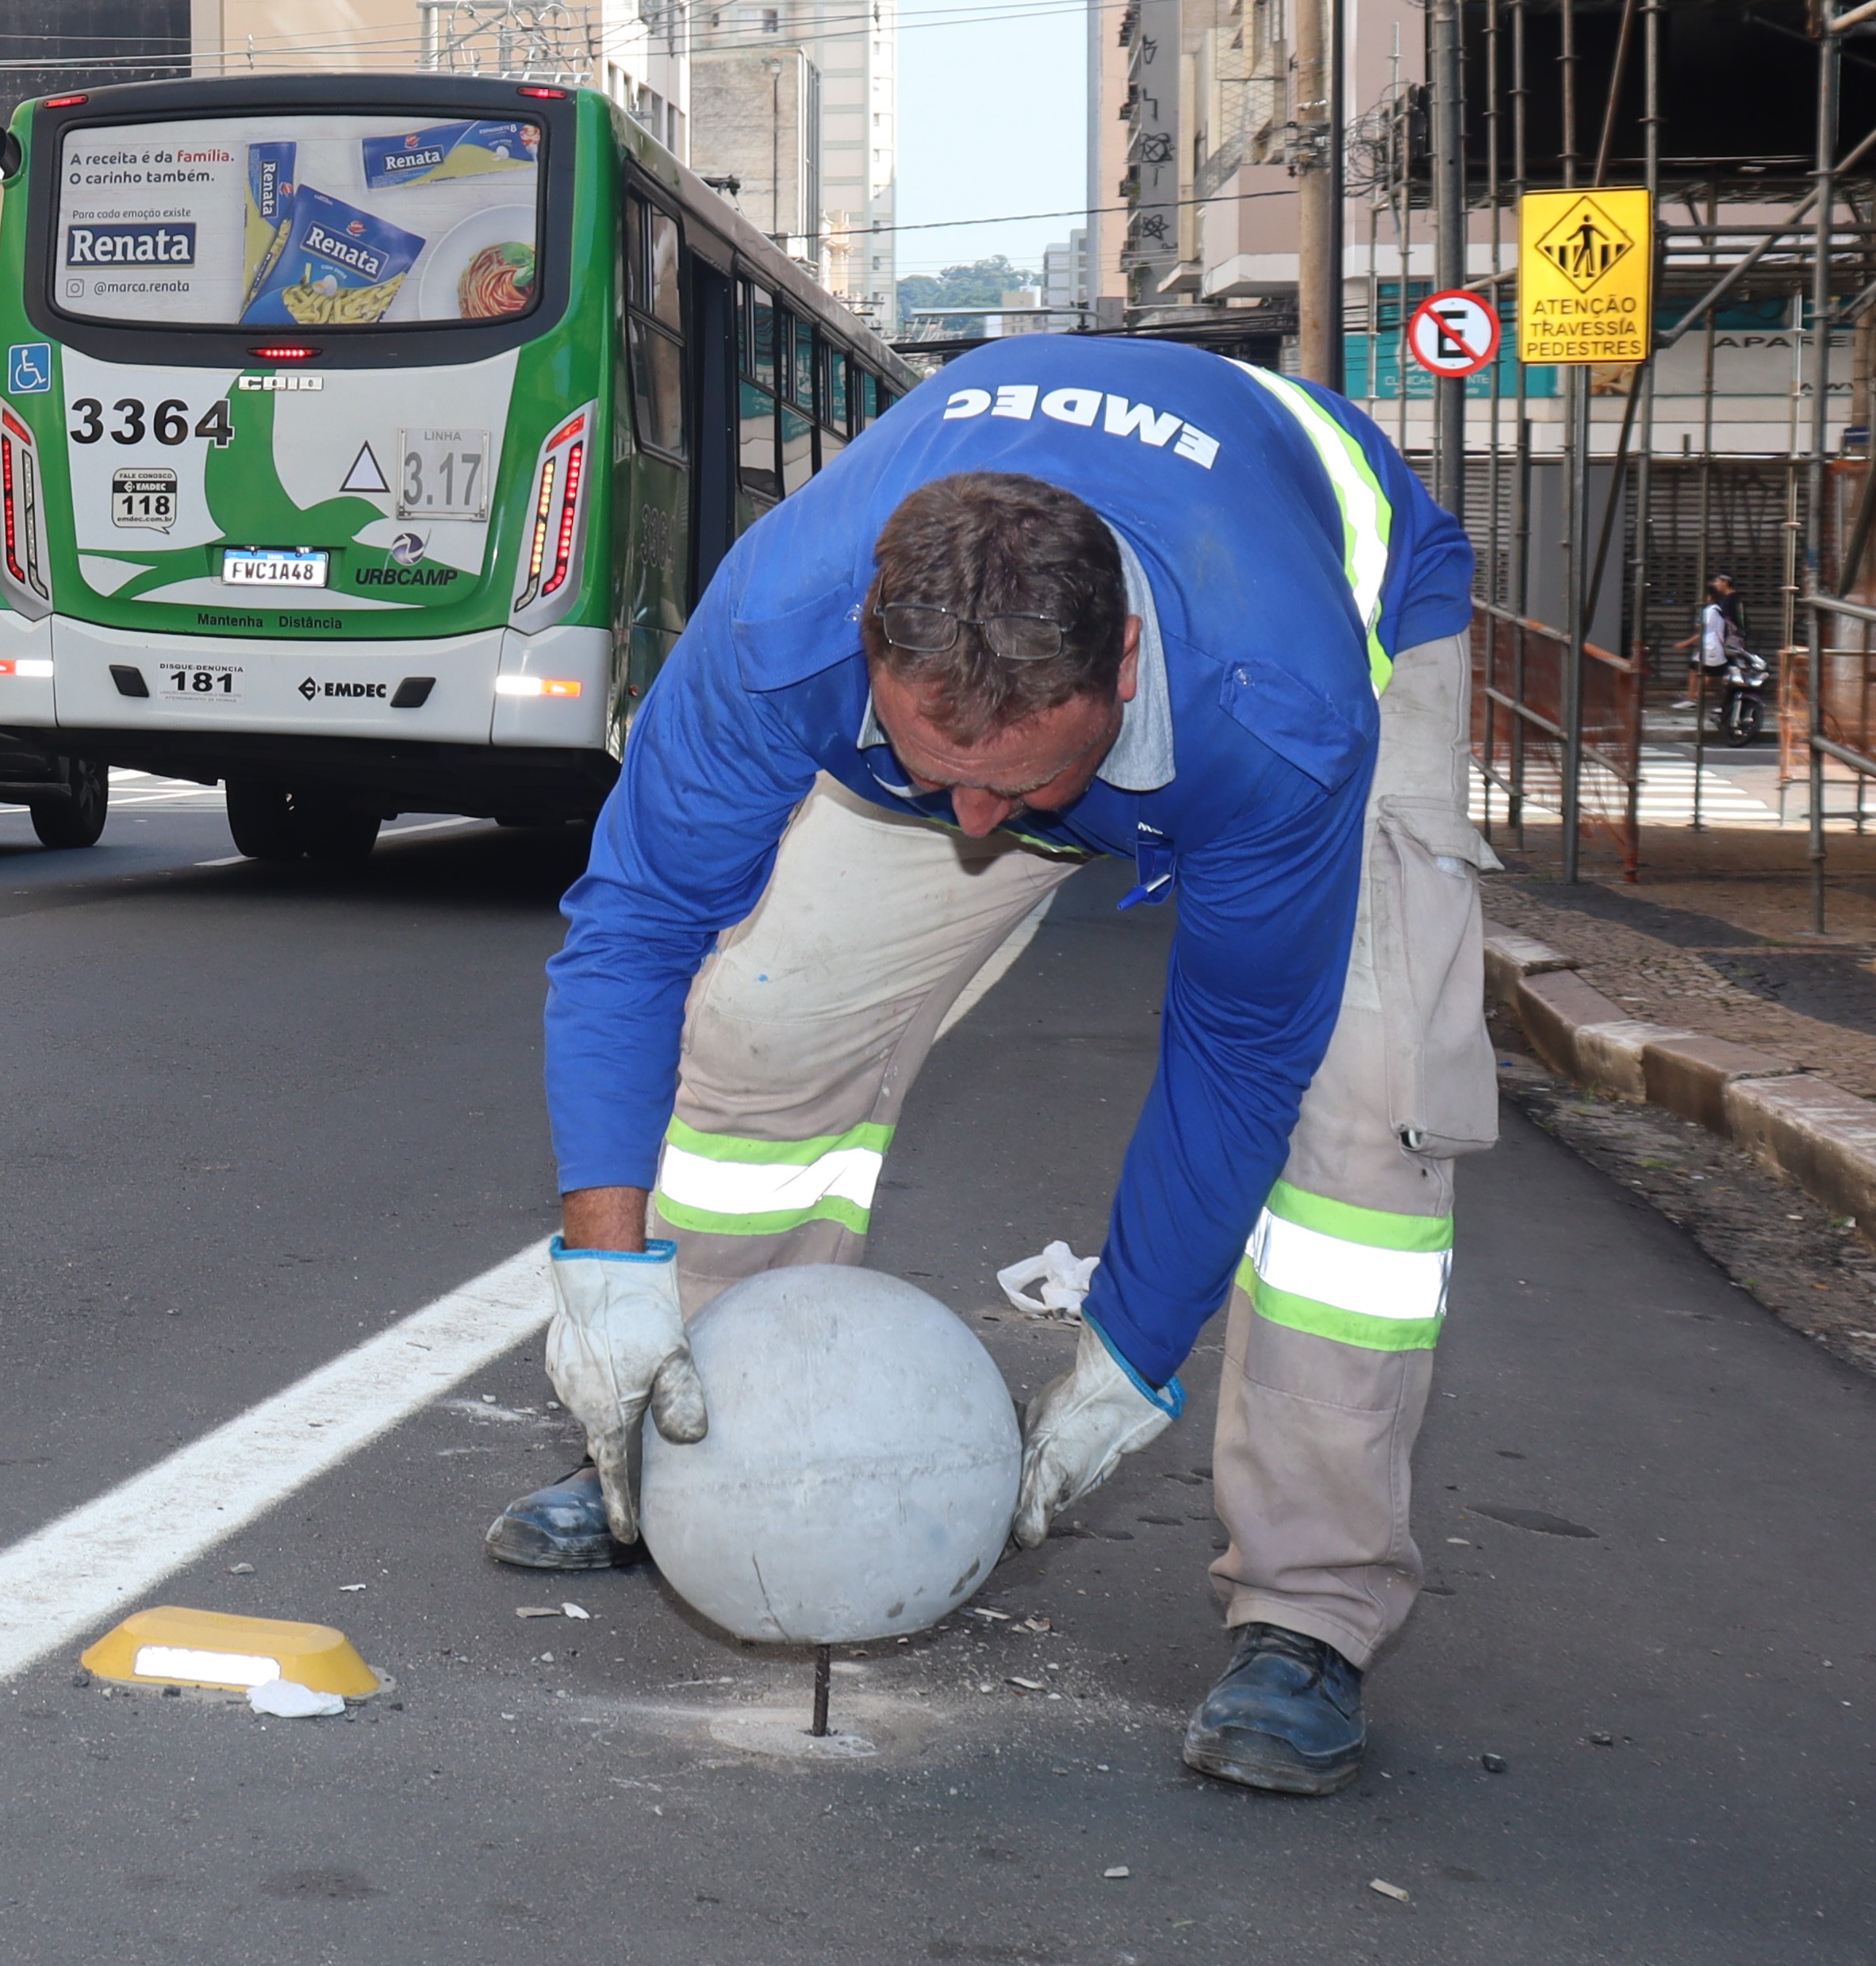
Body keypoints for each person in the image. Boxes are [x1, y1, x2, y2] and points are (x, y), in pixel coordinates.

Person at [499, 333, 1494, 1798]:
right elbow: (636, 922)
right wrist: (602, 1270)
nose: (975, 827)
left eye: (1025, 792)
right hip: (1002, 687)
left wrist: (1129, 1359)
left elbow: (1233, 1051)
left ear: (1124, 669)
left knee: (1361, 1124)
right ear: (869, 650)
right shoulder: (783, 624)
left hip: (1341, 615)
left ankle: (1309, 1608)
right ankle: (682, 1442)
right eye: (931, 769)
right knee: (763, 1024)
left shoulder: (1277, 710)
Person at [1675, 574, 1744, 713]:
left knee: (1721, 675)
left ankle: (1697, 699)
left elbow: (1706, 632)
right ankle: (1693, 697)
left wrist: (1685, 643)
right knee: (1698, 670)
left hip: (1715, 647)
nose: (1716, 583)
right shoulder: (1727, 603)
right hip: (1716, 646)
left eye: (1718, 581)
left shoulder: (1714, 609)